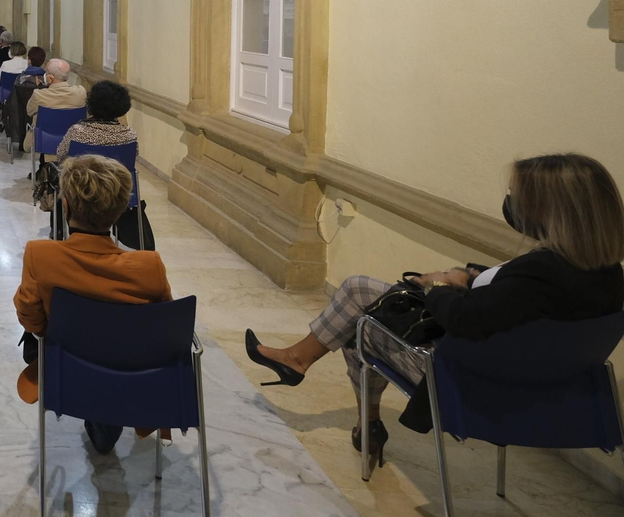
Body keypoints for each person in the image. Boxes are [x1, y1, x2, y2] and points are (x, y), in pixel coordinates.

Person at [245, 153, 624, 465]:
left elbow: (464, 320)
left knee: (360, 321)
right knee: (359, 291)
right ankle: (305, 366)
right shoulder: (607, 275)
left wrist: (438, 285)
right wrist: (473, 278)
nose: (513, 204)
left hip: (470, 384)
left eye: (518, 196)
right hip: (548, 388)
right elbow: (516, 304)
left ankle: (351, 407)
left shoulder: (538, 272)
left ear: (548, 210)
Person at [13, 155, 173, 453]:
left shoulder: (40, 256)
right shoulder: (149, 266)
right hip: (127, 370)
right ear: (121, 209)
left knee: (37, 332)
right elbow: (163, 328)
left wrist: (49, 330)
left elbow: (28, 315)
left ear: (65, 206)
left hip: (66, 363)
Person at [57, 79, 138, 157]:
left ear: (91, 103)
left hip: (84, 167)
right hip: (115, 167)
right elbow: (132, 157)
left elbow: (61, 155)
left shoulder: (77, 132)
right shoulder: (130, 136)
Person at [24, 59, 88, 156]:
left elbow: (29, 111)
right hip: (73, 141)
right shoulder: (81, 92)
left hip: (44, 141)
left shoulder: (39, 95)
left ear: (50, 78)